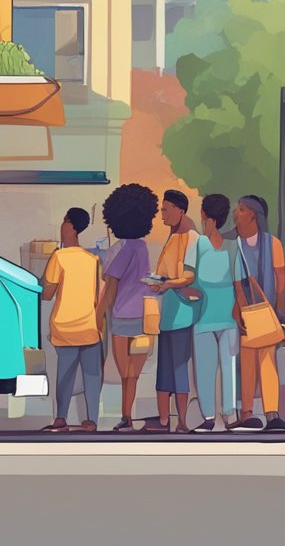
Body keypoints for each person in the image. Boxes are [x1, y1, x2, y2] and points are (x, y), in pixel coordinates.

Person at [96, 183, 159, 432]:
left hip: (122, 318)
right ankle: (127, 415)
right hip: (143, 318)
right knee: (134, 370)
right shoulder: (142, 247)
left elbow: (110, 286)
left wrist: (98, 316)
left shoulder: (122, 250)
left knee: (125, 372)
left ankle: (126, 416)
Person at [228, 195, 285, 433]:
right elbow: (237, 284)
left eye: (242, 209)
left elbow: (280, 277)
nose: (237, 213)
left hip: (265, 312)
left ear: (254, 214)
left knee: (267, 361)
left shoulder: (272, 243)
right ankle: (247, 412)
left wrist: (278, 308)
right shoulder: (236, 245)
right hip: (247, 313)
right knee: (247, 362)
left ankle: (271, 413)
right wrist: (244, 311)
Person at [40, 208, 103, 433]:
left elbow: (47, 293)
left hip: (65, 327)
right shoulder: (92, 259)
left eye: (65, 220)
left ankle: (61, 417)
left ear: (72, 226)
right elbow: (97, 296)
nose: (62, 225)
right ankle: (92, 420)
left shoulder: (59, 256)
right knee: (92, 377)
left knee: (65, 375)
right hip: (89, 328)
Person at [145, 189, 200, 433]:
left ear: (180, 210)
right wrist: (157, 280)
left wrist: (166, 283)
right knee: (164, 367)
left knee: (178, 366)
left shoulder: (191, 238)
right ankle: (164, 420)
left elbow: (189, 276)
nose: (162, 215)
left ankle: (182, 422)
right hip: (167, 312)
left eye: (166, 210)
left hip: (182, 312)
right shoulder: (173, 237)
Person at [189, 194, 240, 433]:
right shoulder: (200, 244)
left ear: (205, 215)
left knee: (223, 366)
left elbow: (188, 278)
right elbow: (237, 283)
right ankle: (211, 416)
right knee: (207, 366)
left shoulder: (208, 245)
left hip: (223, 317)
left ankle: (226, 415)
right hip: (207, 316)